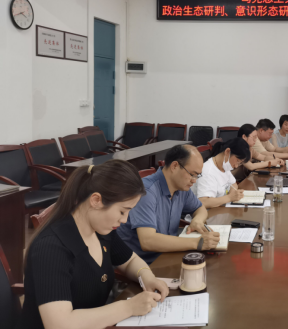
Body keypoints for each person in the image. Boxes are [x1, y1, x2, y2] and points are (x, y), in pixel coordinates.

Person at [20, 160, 170, 329]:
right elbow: (59, 324)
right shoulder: (51, 248)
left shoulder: (102, 230)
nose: (124, 219)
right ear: (96, 200)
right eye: (122, 211)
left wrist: (147, 277)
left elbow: (130, 261)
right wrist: (128, 307)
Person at [117, 145, 220, 264]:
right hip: (142, 263)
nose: (194, 180)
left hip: (167, 253)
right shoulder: (146, 191)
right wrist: (197, 242)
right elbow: (147, 241)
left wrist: (198, 220)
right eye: (192, 174)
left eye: (197, 175)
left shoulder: (182, 188)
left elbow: (200, 208)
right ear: (174, 166)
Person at [192, 138, 251, 208]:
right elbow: (204, 202)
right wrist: (230, 197)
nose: (236, 166)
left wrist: (233, 193)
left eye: (240, 163)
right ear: (227, 152)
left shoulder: (225, 166)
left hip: (221, 209)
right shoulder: (208, 172)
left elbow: (233, 183)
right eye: (237, 161)